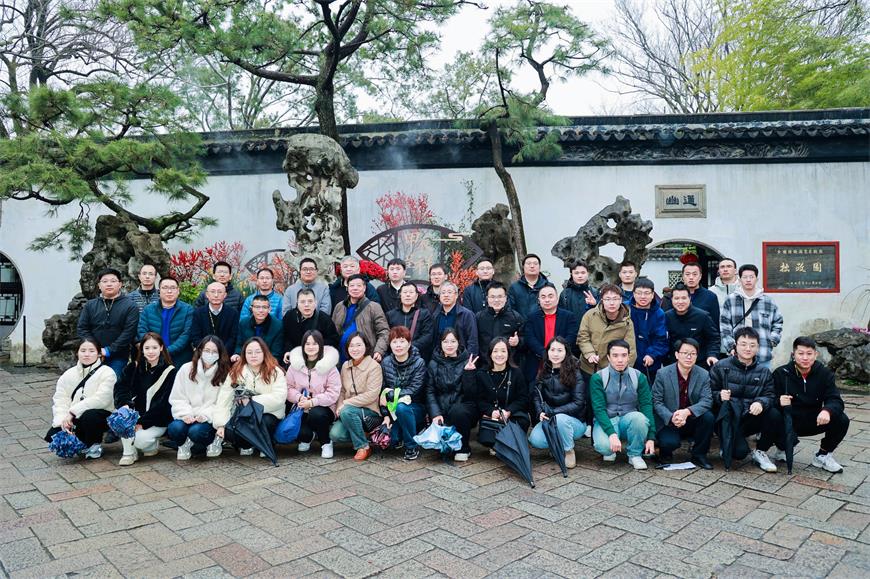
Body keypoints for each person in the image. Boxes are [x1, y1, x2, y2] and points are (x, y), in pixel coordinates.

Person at [772, 336, 850, 473]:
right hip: (789, 420)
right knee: (773, 416)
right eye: (801, 353)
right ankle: (782, 448)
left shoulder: (825, 374)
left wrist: (827, 410)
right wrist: (778, 401)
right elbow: (769, 398)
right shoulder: (780, 373)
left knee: (842, 419)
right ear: (793, 354)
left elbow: (835, 399)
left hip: (814, 419)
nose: (805, 358)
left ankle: (823, 455)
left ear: (815, 354)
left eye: (809, 353)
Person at [710, 327, 782, 473]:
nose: (748, 348)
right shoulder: (721, 366)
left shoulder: (763, 371)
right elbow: (708, 392)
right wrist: (719, 395)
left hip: (749, 417)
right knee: (739, 454)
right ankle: (728, 443)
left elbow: (770, 395)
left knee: (774, 414)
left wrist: (760, 402)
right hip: (729, 418)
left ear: (758, 347)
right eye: (743, 344)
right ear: (735, 345)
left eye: (752, 345)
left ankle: (760, 451)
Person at [589, 339, 656, 470]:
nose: (620, 360)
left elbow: (646, 406)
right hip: (607, 418)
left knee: (640, 418)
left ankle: (635, 454)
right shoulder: (598, 378)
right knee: (604, 447)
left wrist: (651, 437)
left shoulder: (639, 377)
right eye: (615, 355)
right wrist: (611, 434)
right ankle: (611, 449)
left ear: (629, 357)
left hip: (628, 418)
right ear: (608, 357)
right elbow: (599, 409)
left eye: (624, 355)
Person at [46, 338, 117, 459]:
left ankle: (94, 445)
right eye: (83, 351)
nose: (87, 354)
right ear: (77, 353)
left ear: (99, 353)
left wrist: (72, 412)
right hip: (74, 416)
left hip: (100, 414)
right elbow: (60, 400)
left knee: (90, 416)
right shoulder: (68, 375)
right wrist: (62, 421)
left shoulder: (107, 372)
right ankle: (81, 442)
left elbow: (101, 399)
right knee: (53, 434)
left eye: (91, 351)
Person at [216, 337, 288, 456]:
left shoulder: (275, 371)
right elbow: (224, 399)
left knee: (266, 421)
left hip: (269, 413)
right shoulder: (236, 371)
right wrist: (220, 424)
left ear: (264, 353)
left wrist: (251, 401)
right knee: (228, 432)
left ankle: (266, 443)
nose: (253, 355)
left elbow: (279, 398)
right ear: (244, 354)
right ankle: (247, 445)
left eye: (257, 352)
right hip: (244, 415)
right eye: (249, 352)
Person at [114, 333, 177, 466]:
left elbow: (164, 404)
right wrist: (124, 405)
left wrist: (142, 423)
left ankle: (150, 445)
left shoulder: (170, 371)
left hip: (156, 420)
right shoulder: (133, 367)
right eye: (147, 348)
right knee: (123, 418)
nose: (151, 351)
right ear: (141, 349)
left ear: (161, 348)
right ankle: (128, 453)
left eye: (154, 347)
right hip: (134, 415)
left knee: (140, 440)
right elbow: (120, 388)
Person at [652, 339, 714, 469]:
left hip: (691, 418)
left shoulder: (703, 374)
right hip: (669, 419)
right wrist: (671, 417)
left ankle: (699, 454)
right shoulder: (663, 374)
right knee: (669, 443)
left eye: (693, 353)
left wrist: (687, 412)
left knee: (708, 417)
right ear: (676, 355)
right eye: (685, 353)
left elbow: (707, 400)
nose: (689, 357)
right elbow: (656, 401)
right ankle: (664, 453)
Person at [167, 335, 232, 460]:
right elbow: (177, 397)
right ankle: (183, 444)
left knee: (196, 432)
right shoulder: (186, 369)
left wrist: (206, 415)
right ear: (200, 350)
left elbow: (222, 403)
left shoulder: (224, 373)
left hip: (209, 418)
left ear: (220, 354)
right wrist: (185, 414)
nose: (210, 354)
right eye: (207, 350)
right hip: (188, 415)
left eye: (214, 351)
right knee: (175, 428)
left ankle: (215, 440)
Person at [528, 337, 587, 469]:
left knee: (560, 419)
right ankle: (557, 445)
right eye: (552, 350)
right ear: (547, 352)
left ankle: (568, 450)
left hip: (574, 422)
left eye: (560, 350)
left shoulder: (575, 372)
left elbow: (578, 403)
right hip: (550, 419)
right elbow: (536, 396)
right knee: (535, 440)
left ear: (566, 352)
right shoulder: (543, 371)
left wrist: (553, 412)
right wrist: (540, 412)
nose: (555, 354)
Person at [463, 337, 531, 442]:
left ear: (508, 353)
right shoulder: (482, 374)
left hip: (511, 415)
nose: (499, 354)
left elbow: (523, 398)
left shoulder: (516, 373)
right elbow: (479, 400)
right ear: (490, 354)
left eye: (503, 351)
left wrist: (508, 411)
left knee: (522, 423)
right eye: (495, 351)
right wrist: (491, 411)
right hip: (491, 417)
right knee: (488, 439)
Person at [285, 331, 341, 458]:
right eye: (307, 343)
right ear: (303, 345)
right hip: (301, 407)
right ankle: (308, 437)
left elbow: (333, 393)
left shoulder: (329, 366)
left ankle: (326, 443)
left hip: (324, 408)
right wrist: (299, 397)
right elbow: (288, 388)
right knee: (298, 431)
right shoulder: (295, 365)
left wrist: (312, 402)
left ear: (320, 345)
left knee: (317, 414)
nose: (311, 347)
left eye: (315, 344)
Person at [76, 268, 140, 378]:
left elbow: (129, 332)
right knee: (89, 383)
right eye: (105, 281)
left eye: (113, 281)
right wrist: (94, 349)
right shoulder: (90, 305)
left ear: (120, 284)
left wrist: (108, 350)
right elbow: (82, 328)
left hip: (118, 356)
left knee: (113, 382)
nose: (109, 284)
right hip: (92, 355)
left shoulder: (130, 306)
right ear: (99, 285)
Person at [329, 333, 383, 461]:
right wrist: (339, 406)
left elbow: (371, 395)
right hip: (348, 411)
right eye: (351, 346)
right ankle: (362, 434)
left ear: (366, 346)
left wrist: (345, 403)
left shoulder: (374, 366)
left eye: (359, 345)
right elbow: (342, 390)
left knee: (347, 411)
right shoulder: (345, 366)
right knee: (335, 434)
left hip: (369, 412)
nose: (355, 349)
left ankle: (363, 447)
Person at [426, 329, 478, 461]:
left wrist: (469, 374)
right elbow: (430, 391)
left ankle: (463, 448)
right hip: (441, 408)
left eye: (453, 341)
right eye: (445, 341)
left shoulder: (467, 361)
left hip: (461, 409)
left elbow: (471, 395)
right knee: (442, 451)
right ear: (440, 343)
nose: (449, 345)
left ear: (458, 342)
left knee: (458, 411)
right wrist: (435, 413)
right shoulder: (433, 363)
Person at [720, 264, 783, 369]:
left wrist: (771, 341)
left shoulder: (767, 301)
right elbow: (724, 325)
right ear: (739, 280)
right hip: (738, 355)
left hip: (762, 354)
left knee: (763, 379)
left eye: (751, 277)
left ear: (756, 279)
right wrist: (731, 346)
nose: (748, 280)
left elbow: (778, 323)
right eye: (745, 277)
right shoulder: (730, 300)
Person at [380, 326, 427, 460]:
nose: (398, 345)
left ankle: (412, 446)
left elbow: (415, 389)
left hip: (414, 407)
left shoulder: (419, 362)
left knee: (402, 408)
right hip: (392, 409)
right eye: (394, 342)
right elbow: (383, 392)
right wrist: (386, 415)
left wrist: (393, 393)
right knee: (393, 441)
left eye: (402, 341)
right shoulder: (386, 362)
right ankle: (406, 432)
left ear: (409, 343)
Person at [577, 283, 636, 380]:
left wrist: (623, 372)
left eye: (615, 299)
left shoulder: (627, 323)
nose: (611, 303)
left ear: (621, 300)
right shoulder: (590, 315)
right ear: (602, 300)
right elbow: (583, 337)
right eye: (607, 299)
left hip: (612, 370)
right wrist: (589, 353)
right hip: (588, 367)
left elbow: (631, 350)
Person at [522, 284, 578, 383]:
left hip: (563, 364)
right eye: (543, 297)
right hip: (537, 364)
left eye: (550, 296)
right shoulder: (532, 317)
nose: (547, 300)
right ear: (539, 300)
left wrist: (557, 352)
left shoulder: (568, 317)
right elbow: (530, 338)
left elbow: (571, 337)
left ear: (557, 299)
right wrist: (545, 354)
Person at [333, 274, 390, 365]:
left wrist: (379, 350)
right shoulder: (340, 306)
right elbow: (332, 331)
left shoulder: (374, 307)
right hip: (341, 357)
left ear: (364, 288)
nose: (355, 288)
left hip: (366, 356)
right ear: (347, 288)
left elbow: (384, 331)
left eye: (359, 285)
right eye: (352, 285)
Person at [137, 277, 194, 366]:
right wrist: (154, 350)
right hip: (153, 357)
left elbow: (186, 334)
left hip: (180, 358)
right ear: (159, 291)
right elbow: (142, 331)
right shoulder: (148, 310)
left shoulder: (188, 310)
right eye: (165, 288)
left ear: (178, 291)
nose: (169, 291)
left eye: (173, 288)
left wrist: (165, 352)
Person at [665, 283, 719, 369]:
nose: (680, 302)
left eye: (684, 298)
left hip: (699, 363)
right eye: (676, 298)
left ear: (690, 298)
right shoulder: (667, 316)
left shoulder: (702, 316)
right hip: (674, 363)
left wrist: (712, 354)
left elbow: (713, 338)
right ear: (671, 300)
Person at [629, 277, 668, 381]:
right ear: (633, 294)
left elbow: (661, 339)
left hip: (649, 364)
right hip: (627, 362)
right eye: (639, 293)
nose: (643, 296)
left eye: (647, 293)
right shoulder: (625, 308)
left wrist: (652, 354)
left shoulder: (659, 313)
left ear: (652, 295)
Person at [282, 288, 340, 358]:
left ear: (315, 303)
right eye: (302, 302)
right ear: (297, 303)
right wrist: (288, 351)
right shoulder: (289, 316)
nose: (306, 305)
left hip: (318, 356)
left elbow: (334, 340)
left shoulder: (324, 319)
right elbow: (285, 337)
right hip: (295, 355)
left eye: (310, 301)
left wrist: (316, 346)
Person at [475, 281, 524, 363]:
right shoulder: (479, 317)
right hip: (484, 364)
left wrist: (518, 341)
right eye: (492, 297)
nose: (496, 300)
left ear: (506, 298)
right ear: (487, 298)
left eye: (500, 296)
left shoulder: (515, 317)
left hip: (509, 364)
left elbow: (525, 338)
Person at [386, 282, 434, 361]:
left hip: (417, 357)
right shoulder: (391, 315)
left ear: (416, 296)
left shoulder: (424, 314)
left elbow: (427, 336)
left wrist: (408, 347)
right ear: (400, 295)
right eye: (405, 292)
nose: (408, 295)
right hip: (395, 357)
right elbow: (387, 335)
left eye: (411, 292)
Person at [664, 262, 720, 329]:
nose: (691, 277)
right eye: (687, 274)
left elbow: (714, 325)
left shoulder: (710, 297)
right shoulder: (671, 297)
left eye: (694, 274)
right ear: (683, 276)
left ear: (700, 276)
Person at [558, 260, 599, 353]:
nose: (580, 276)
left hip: (590, 338)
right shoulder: (565, 294)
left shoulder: (594, 292)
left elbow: (602, 316)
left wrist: (595, 304)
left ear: (588, 273)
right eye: (576, 273)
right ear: (571, 274)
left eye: (583, 273)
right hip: (570, 337)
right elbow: (560, 318)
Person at [190, 282, 240, 355]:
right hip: (204, 354)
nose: (216, 295)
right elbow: (195, 336)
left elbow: (233, 337)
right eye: (213, 292)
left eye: (219, 292)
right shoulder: (198, 313)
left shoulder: (233, 313)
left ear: (225, 295)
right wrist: (206, 351)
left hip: (226, 354)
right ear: (207, 295)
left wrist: (222, 352)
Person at [432, 281, 479, 357]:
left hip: (461, 359)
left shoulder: (467, 315)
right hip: (440, 359)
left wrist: (470, 360)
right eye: (443, 293)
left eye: (449, 292)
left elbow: (472, 341)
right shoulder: (436, 315)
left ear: (456, 295)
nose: (446, 295)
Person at [236, 295, 283, 361]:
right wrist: (237, 354)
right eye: (257, 307)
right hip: (247, 360)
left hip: (268, 361)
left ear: (269, 309)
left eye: (264, 307)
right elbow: (239, 345)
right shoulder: (243, 323)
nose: (261, 310)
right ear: (251, 308)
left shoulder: (278, 326)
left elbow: (276, 353)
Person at [509, 253, 550, 319]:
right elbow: (511, 310)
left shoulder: (548, 286)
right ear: (523, 267)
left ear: (539, 267)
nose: (532, 266)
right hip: (522, 324)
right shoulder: (514, 288)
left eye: (535, 264)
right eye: (528, 263)